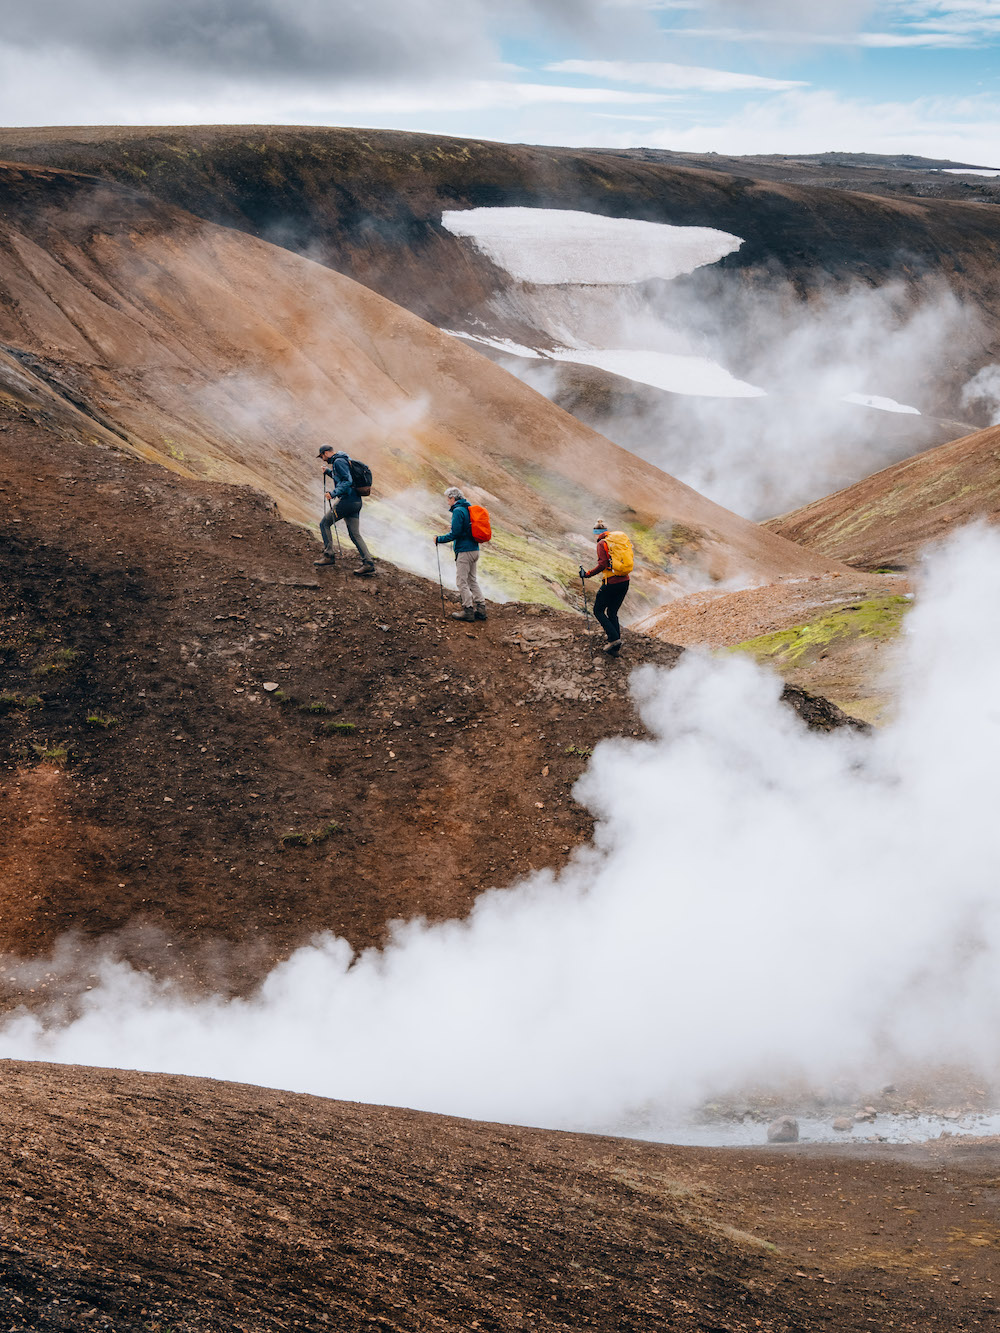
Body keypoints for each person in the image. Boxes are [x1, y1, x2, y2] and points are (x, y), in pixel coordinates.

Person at [314, 446, 375, 576]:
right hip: (355, 502)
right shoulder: (344, 459)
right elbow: (343, 478)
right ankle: (368, 563)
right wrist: (329, 472)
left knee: (324, 524)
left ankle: (329, 556)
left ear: (326, 453)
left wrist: (333, 493)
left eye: (322, 457)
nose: (323, 460)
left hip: (347, 501)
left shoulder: (338, 461)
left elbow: (347, 481)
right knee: (354, 534)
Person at [435, 486, 486, 622]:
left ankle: (468, 610)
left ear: (453, 498)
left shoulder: (458, 511)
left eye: (448, 499)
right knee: (472, 580)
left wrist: (439, 539)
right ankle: (481, 609)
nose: (447, 502)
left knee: (461, 581)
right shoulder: (468, 509)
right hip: (474, 550)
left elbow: (455, 533)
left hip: (464, 551)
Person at [580, 520, 629, 654]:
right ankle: (615, 648)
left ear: (597, 533)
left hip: (611, 582)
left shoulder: (602, 543)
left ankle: (613, 639)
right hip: (625, 581)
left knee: (598, 610)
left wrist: (587, 574)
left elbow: (602, 564)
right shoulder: (617, 542)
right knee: (612, 612)